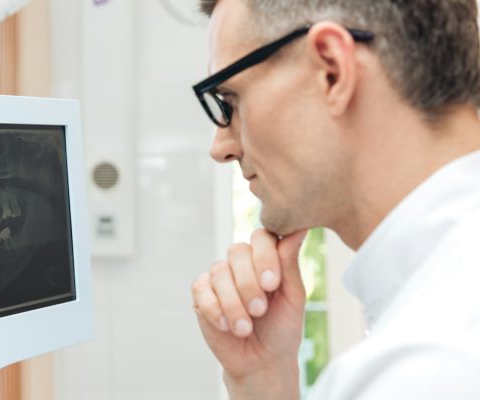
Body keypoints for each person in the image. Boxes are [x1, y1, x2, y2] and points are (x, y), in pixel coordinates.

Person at [190, 0, 480, 398]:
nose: (220, 147)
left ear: (332, 70)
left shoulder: (424, 367)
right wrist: (264, 379)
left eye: (230, 99)